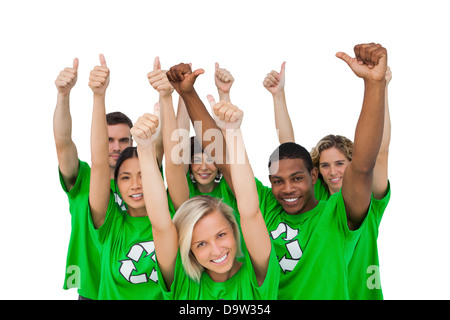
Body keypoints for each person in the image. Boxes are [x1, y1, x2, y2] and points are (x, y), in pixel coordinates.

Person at [166, 42, 389, 299]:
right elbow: (223, 158)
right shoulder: (267, 206)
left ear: (313, 176)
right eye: (277, 181)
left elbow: (362, 167)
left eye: (296, 179)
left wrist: (374, 84)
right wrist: (188, 93)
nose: (287, 189)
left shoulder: (336, 214)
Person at [131, 94, 279, 299]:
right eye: (201, 244)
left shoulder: (257, 276)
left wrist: (233, 133)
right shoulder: (184, 283)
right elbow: (160, 226)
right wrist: (145, 150)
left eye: (221, 235)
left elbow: (250, 211)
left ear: (234, 229)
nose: (216, 250)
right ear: (189, 250)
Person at [264, 61, 392, 299]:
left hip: (361, 293)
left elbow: (380, 152)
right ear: (316, 172)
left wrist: (381, 87)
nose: (333, 171)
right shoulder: (318, 202)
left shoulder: (370, 201)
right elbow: (288, 151)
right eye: (325, 165)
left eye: (340, 163)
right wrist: (278, 96)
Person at [54, 57, 136, 300]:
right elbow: (63, 142)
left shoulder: (141, 182)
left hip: (131, 288)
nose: (116, 147)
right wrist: (63, 95)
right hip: (92, 285)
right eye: (109, 139)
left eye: (124, 141)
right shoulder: (83, 178)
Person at [86, 55, 164, 299]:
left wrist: (167, 98)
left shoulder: (170, 217)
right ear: (116, 186)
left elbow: (172, 158)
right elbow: (99, 164)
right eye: (126, 178)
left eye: (143, 175)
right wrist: (99, 96)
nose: (136, 185)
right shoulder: (110, 224)